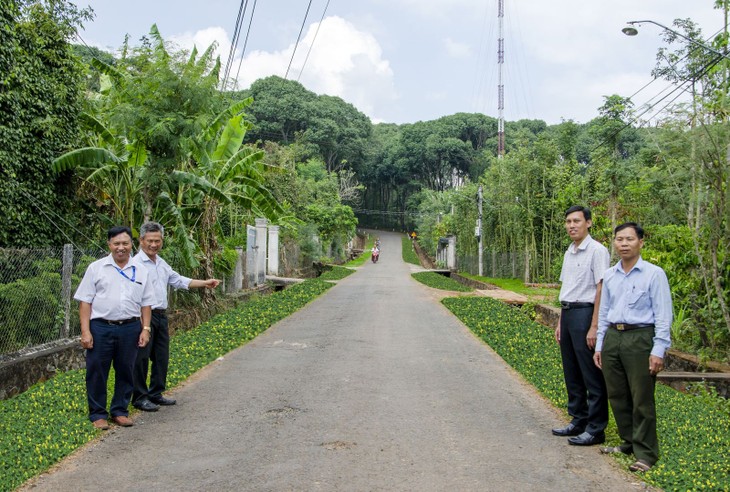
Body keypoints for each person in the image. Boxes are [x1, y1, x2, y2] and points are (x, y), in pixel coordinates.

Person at [593, 222, 672, 473]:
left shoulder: (654, 274)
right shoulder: (610, 275)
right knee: (616, 393)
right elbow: (604, 312)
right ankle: (629, 441)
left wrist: (658, 349)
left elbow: (663, 315)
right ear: (614, 243)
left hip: (640, 338)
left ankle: (646, 453)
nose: (623, 244)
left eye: (629, 239)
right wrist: (601, 346)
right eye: (619, 239)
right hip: (614, 336)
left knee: (641, 397)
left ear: (641, 242)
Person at [132, 221, 220, 411]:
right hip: (142, 316)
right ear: (141, 241)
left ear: (162, 241)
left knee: (161, 356)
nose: (154, 244)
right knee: (141, 358)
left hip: (161, 316)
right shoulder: (134, 265)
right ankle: (139, 397)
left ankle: (156, 393)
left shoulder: (161, 264)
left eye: (157, 241)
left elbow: (179, 281)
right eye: (150, 241)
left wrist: (205, 283)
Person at [75, 226, 155, 429]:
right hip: (101, 328)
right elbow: (85, 302)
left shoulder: (141, 271)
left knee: (126, 370)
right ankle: (98, 414)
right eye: (116, 243)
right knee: (97, 371)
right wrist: (86, 331)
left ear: (132, 245)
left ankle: (120, 410)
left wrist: (145, 329)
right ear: (109, 245)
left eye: (125, 243)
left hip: (130, 328)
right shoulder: (96, 268)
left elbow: (146, 303)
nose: (121, 248)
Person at [552, 206, 610, 446]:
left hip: (586, 314)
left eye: (576, 221)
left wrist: (595, 326)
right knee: (571, 370)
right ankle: (579, 418)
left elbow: (601, 287)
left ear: (589, 223)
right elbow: (567, 288)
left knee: (590, 373)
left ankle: (596, 428)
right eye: (568, 221)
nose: (571, 225)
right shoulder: (569, 251)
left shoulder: (597, 250)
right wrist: (560, 320)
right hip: (568, 313)